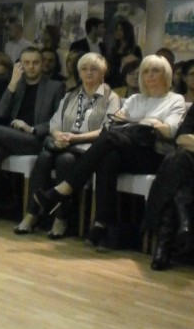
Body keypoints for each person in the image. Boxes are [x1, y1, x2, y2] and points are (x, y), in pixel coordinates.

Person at [35, 55, 186, 252]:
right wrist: (148, 122)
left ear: (166, 74)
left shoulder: (175, 100)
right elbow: (116, 123)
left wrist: (143, 122)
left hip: (154, 155)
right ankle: (102, 226)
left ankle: (64, 189)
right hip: (127, 151)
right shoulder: (135, 99)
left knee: (108, 138)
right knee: (108, 157)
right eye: (146, 72)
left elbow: (170, 130)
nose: (150, 76)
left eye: (155, 71)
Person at [13, 53, 120, 239]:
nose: (88, 73)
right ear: (79, 73)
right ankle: (32, 213)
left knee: (65, 160)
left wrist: (76, 138)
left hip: (89, 149)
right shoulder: (70, 95)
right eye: (84, 69)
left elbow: (108, 131)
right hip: (64, 143)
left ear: (103, 73)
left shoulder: (111, 97)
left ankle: (61, 218)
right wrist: (58, 135)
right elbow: (54, 124)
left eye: (94, 69)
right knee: (44, 156)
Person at [0, 47, 64, 224]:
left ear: (42, 64)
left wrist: (31, 128)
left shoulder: (55, 87)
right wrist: (12, 84)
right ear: (20, 65)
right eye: (27, 63)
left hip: (37, 138)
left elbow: (59, 120)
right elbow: (2, 112)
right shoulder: (17, 84)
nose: (31, 67)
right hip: (14, 137)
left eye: (35, 62)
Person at [145, 98, 194, 270]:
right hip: (188, 165)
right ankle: (182, 222)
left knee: (175, 163)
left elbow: (188, 140)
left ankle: (164, 246)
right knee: (179, 165)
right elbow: (181, 138)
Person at [106, 18, 142, 88]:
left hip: (126, 81)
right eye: (116, 29)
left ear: (127, 31)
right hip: (112, 80)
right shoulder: (114, 49)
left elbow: (137, 66)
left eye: (120, 30)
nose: (117, 32)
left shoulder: (135, 49)